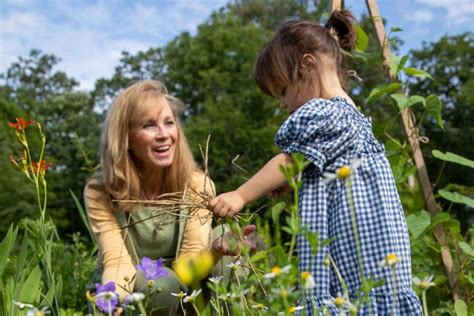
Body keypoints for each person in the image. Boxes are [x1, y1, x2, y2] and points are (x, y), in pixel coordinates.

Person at [209, 10, 422, 315]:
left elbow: (288, 160)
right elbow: (309, 166)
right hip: (377, 256)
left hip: (357, 257)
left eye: (282, 90)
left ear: (307, 66)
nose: (282, 103)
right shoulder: (352, 116)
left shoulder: (324, 112)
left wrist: (241, 194)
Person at [84, 80, 255, 315]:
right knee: (161, 286)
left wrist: (215, 251)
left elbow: (187, 269)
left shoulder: (197, 184)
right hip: (133, 285)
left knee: (224, 248)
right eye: (149, 125)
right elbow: (116, 261)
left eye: (169, 123)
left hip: (188, 286)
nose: (164, 135)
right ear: (126, 137)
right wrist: (113, 301)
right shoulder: (100, 191)